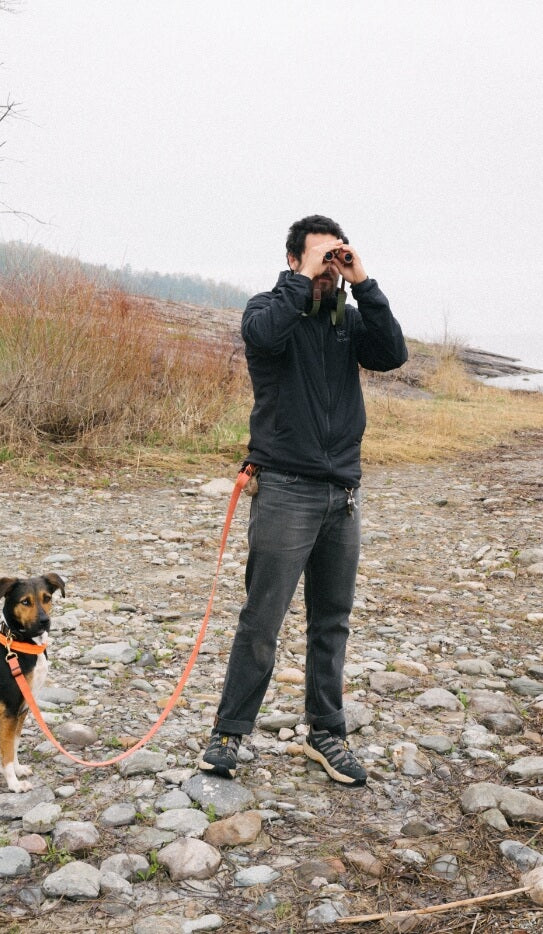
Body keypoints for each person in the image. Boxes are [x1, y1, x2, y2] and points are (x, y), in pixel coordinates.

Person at [199, 214, 408, 786]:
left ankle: (326, 733)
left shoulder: (348, 317)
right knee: (261, 619)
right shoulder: (268, 309)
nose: (327, 270)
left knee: (331, 621)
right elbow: (264, 337)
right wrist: (304, 281)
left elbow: (392, 354)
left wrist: (361, 281)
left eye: (334, 258)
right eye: (318, 259)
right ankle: (228, 732)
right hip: (286, 489)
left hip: (342, 491)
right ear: (293, 261)